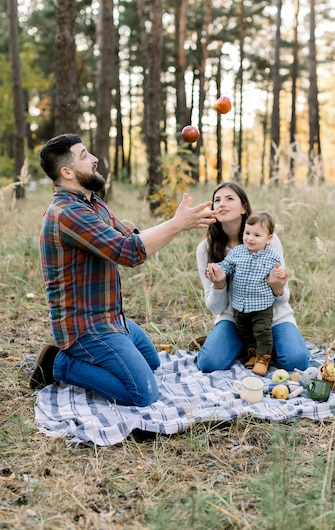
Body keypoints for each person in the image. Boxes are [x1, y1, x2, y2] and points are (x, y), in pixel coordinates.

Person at [30, 133, 216, 406]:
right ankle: (59, 364)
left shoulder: (92, 203)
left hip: (110, 319)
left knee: (152, 363)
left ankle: (101, 357)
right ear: (67, 172)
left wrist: (179, 222)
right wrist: (178, 224)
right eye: (85, 156)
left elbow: (130, 239)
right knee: (143, 393)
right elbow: (128, 252)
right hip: (85, 328)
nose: (94, 159)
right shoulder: (67, 213)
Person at [196, 181, 309, 375]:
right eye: (217, 200)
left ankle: (262, 346)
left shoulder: (267, 241)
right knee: (208, 363)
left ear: (243, 207)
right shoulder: (205, 249)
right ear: (213, 209)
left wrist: (278, 287)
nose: (222, 203)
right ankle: (246, 345)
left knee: (296, 361)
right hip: (235, 318)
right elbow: (216, 308)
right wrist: (219, 285)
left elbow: (283, 299)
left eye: (229, 198)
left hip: (271, 315)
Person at [206, 211, 286, 376]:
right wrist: (217, 269)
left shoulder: (272, 256)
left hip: (262, 306)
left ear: (268, 238)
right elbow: (227, 265)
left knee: (262, 332)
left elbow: (278, 273)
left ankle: (263, 358)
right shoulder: (237, 252)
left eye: (257, 235)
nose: (250, 238)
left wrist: (279, 275)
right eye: (247, 233)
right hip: (239, 305)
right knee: (244, 331)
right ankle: (251, 352)